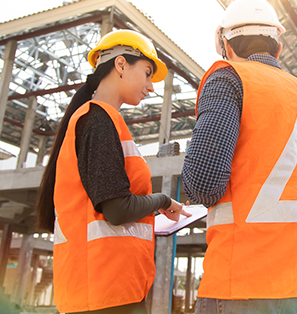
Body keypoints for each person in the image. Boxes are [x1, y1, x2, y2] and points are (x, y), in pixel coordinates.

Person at [182, 0, 297, 314]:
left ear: (226, 44)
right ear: (277, 47)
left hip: (243, 285)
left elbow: (203, 184)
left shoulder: (229, 78)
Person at [35, 29, 189, 314]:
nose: (151, 87)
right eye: (146, 73)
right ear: (120, 65)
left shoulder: (102, 121)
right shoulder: (98, 121)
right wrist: (163, 201)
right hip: (103, 293)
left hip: (107, 288)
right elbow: (117, 209)